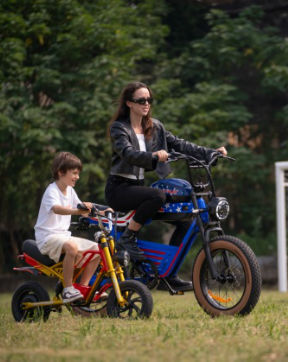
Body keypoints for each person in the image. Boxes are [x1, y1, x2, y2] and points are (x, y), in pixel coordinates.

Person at [105, 81, 227, 291]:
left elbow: (179, 144)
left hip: (138, 188)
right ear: (129, 103)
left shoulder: (155, 127)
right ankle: (128, 237)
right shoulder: (119, 128)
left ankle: (168, 274)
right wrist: (153, 156)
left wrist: (209, 152)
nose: (146, 104)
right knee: (158, 196)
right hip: (119, 189)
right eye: (141, 100)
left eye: (149, 100)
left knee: (187, 219)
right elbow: (127, 153)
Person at [34, 151, 107, 302]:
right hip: (47, 238)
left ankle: (83, 289)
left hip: (63, 237)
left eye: (78, 173)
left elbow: (83, 210)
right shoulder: (52, 190)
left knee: (96, 250)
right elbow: (57, 209)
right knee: (72, 247)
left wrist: (102, 211)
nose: (77, 177)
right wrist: (77, 211)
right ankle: (68, 289)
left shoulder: (70, 191)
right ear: (61, 172)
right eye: (74, 173)